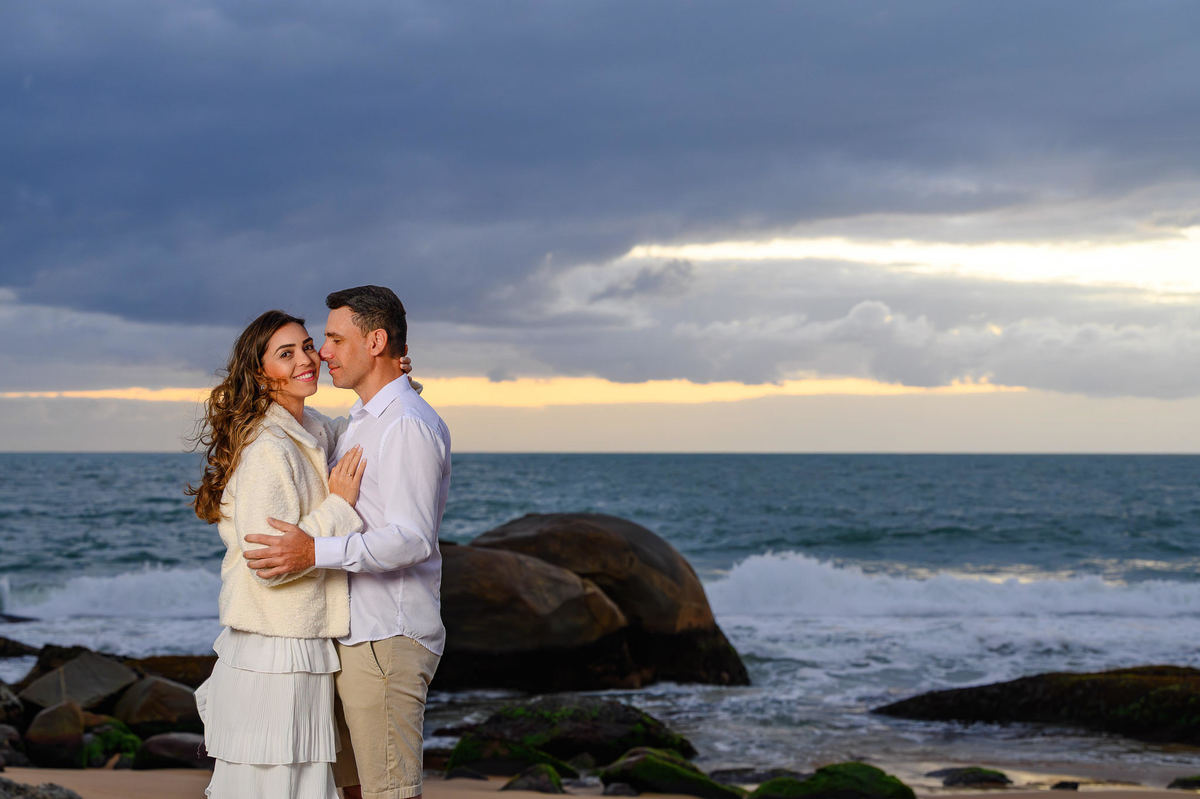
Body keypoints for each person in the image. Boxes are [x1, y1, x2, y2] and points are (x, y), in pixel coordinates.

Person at [244, 285, 451, 799]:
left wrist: (314, 552)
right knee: (354, 789)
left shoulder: (404, 424)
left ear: (376, 341)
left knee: (390, 793)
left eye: (333, 340)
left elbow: (410, 540)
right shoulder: (365, 420)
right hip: (353, 637)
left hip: (386, 636)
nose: (324, 353)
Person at [187, 310, 368, 798]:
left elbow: (352, 429)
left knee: (299, 786)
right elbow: (269, 566)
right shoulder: (267, 448)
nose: (306, 359)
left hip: (298, 643)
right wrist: (338, 508)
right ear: (259, 371)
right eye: (285, 354)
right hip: (274, 650)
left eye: (308, 346)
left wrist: (394, 385)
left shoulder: (305, 428)